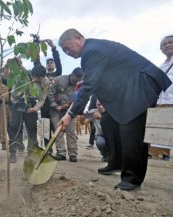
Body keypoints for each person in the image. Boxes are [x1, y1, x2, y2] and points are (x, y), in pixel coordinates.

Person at [58, 29, 171, 191]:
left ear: (79, 38)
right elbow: (104, 80)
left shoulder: (92, 50)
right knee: (109, 120)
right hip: (127, 89)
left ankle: (132, 178)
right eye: (64, 51)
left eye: (68, 47)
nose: (68, 52)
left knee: (130, 128)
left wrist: (70, 114)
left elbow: (90, 84)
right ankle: (115, 162)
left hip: (141, 84)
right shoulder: (93, 51)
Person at [9, 64, 50, 162]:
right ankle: (13, 153)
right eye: (33, 77)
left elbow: (41, 99)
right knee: (15, 128)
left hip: (31, 104)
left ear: (43, 77)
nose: (34, 79)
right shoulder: (21, 77)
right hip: (17, 103)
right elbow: (13, 95)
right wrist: (21, 89)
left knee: (32, 128)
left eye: (37, 78)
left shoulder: (45, 82)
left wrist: (35, 108)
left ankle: (31, 152)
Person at [48, 67, 84, 162]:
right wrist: (55, 106)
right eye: (74, 80)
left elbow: (81, 99)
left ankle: (72, 153)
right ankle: (61, 153)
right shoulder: (58, 80)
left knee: (71, 132)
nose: (75, 82)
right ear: (71, 74)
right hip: (56, 110)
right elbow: (50, 93)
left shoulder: (81, 85)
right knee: (57, 131)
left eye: (78, 81)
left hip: (70, 111)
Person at [149, 35, 173, 163]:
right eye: (164, 44)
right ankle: (162, 153)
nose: (168, 45)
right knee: (161, 127)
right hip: (162, 100)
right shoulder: (162, 65)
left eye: (171, 42)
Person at [37, 39, 62, 153]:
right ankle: (48, 150)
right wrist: (37, 45)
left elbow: (58, 61)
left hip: (55, 105)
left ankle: (60, 150)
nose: (50, 64)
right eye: (48, 63)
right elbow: (37, 64)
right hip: (44, 104)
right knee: (45, 128)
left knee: (56, 128)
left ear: (55, 65)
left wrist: (53, 49)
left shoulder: (58, 73)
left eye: (52, 63)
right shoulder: (43, 76)